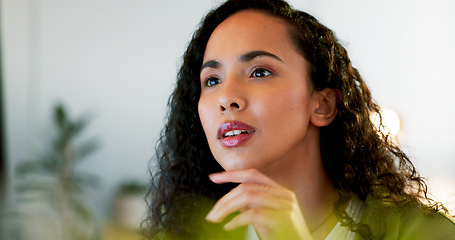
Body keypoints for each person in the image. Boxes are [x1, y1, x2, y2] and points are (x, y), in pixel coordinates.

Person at [144, 0, 455, 239]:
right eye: (212, 80)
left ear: (322, 105)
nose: (226, 98)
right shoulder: (185, 233)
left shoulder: (426, 233)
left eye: (259, 72)